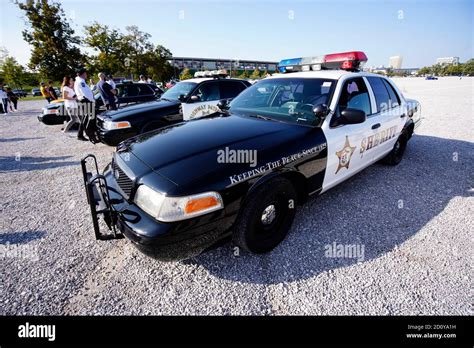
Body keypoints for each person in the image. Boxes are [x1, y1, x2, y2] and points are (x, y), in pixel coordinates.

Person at [74, 68, 95, 141]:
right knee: (87, 119)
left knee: (85, 118)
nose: (86, 75)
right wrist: (92, 100)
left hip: (85, 101)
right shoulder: (80, 82)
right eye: (86, 73)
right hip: (85, 101)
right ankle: (88, 134)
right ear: (83, 74)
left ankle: (82, 134)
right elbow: (86, 93)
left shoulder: (80, 81)